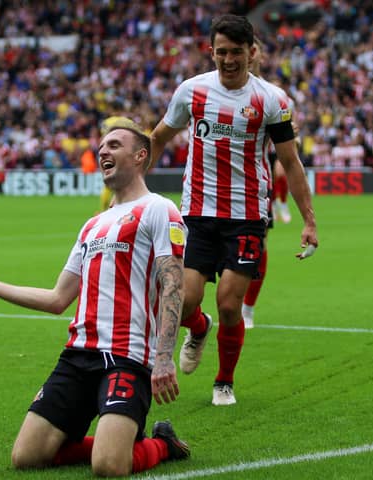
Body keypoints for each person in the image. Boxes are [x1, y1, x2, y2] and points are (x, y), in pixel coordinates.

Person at [0, 125, 190, 477]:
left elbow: (173, 284)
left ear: (141, 155)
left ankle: (161, 444)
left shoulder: (160, 209)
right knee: (27, 457)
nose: (103, 152)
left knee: (109, 466)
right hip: (78, 356)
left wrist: (163, 358)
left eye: (114, 145)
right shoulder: (92, 225)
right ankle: (120, 438)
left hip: (126, 356)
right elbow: (57, 298)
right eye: (101, 146)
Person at [150, 14, 318, 406]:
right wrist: (134, 188)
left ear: (251, 52)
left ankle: (224, 382)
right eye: (221, 52)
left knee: (230, 304)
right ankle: (199, 327)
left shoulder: (271, 99)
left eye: (236, 52)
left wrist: (309, 218)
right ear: (211, 52)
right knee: (185, 302)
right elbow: (158, 137)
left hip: (246, 216)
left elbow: (290, 162)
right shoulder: (191, 92)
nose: (228, 60)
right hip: (195, 213)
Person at [241, 35, 299, 329]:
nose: (248, 56)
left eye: (252, 50)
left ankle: (247, 309)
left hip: (257, 177)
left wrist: (292, 131)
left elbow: (290, 141)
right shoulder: (216, 90)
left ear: (259, 54)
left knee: (259, 246)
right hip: (221, 182)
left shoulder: (274, 95)